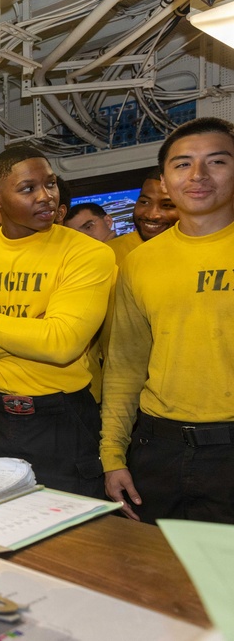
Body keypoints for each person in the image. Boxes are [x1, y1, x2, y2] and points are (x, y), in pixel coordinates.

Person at [0, 146, 114, 497]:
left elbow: (62, 344)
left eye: (50, 184)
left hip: (63, 417)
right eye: (28, 188)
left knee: (72, 538)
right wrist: (35, 331)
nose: (46, 196)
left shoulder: (88, 253)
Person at [101, 117, 234, 524]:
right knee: (153, 577)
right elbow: (125, 366)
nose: (198, 175)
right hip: (158, 449)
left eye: (216, 162)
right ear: (165, 177)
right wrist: (112, 456)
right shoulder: (140, 263)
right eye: (182, 164)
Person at [107, 168, 178, 264]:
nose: (152, 215)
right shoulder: (110, 253)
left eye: (167, 205)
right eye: (144, 202)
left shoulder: (202, 250)